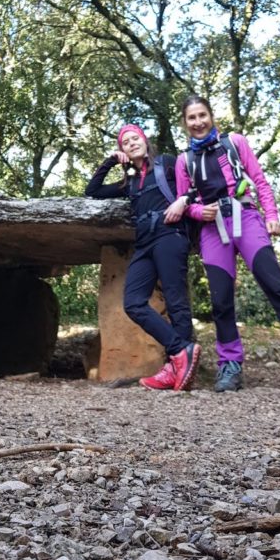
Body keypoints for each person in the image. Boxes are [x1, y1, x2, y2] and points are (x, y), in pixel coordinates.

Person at [168, 95, 280, 391]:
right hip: (212, 229)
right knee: (220, 300)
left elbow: (259, 179)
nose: (198, 122)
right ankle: (230, 365)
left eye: (202, 115)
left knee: (275, 283)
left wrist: (272, 215)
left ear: (211, 116)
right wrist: (197, 211)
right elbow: (184, 201)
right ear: (185, 123)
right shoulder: (183, 161)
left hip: (246, 217)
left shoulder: (235, 142)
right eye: (191, 118)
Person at [85, 124, 200, 391]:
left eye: (135, 138)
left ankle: (177, 367)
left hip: (170, 234)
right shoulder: (130, 181)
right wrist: (111, 160)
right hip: (145, 241)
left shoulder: (167, 164)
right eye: (125, 142)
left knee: (176, 301)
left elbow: (196, 185)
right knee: (134, 303)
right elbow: (92, 190)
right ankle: (182, 351)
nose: (131, 143)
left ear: (145, 140)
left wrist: (183, 201)